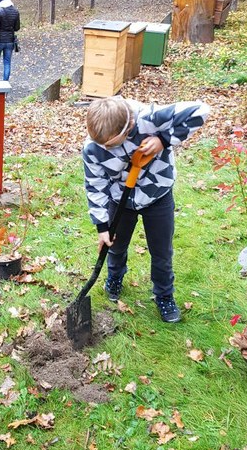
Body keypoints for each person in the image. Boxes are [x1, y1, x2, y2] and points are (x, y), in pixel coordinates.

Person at [83, 97, 210, 323]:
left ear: (129, 126)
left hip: (157, 195)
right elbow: (95, 186)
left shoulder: (150, 117)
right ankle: (114, 277)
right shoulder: (93, 148)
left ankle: (164, 295)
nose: (105, 149)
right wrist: (102, 226)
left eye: (110, 144)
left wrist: (163, 139)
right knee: (116, 245)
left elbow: (200, 110)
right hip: (120, 198)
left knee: (161, 252)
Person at [0, 0, 20, 81]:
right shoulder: (15, 11)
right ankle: (5, 83)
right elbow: (17, 28)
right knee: (7, 62)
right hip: (10, 41)